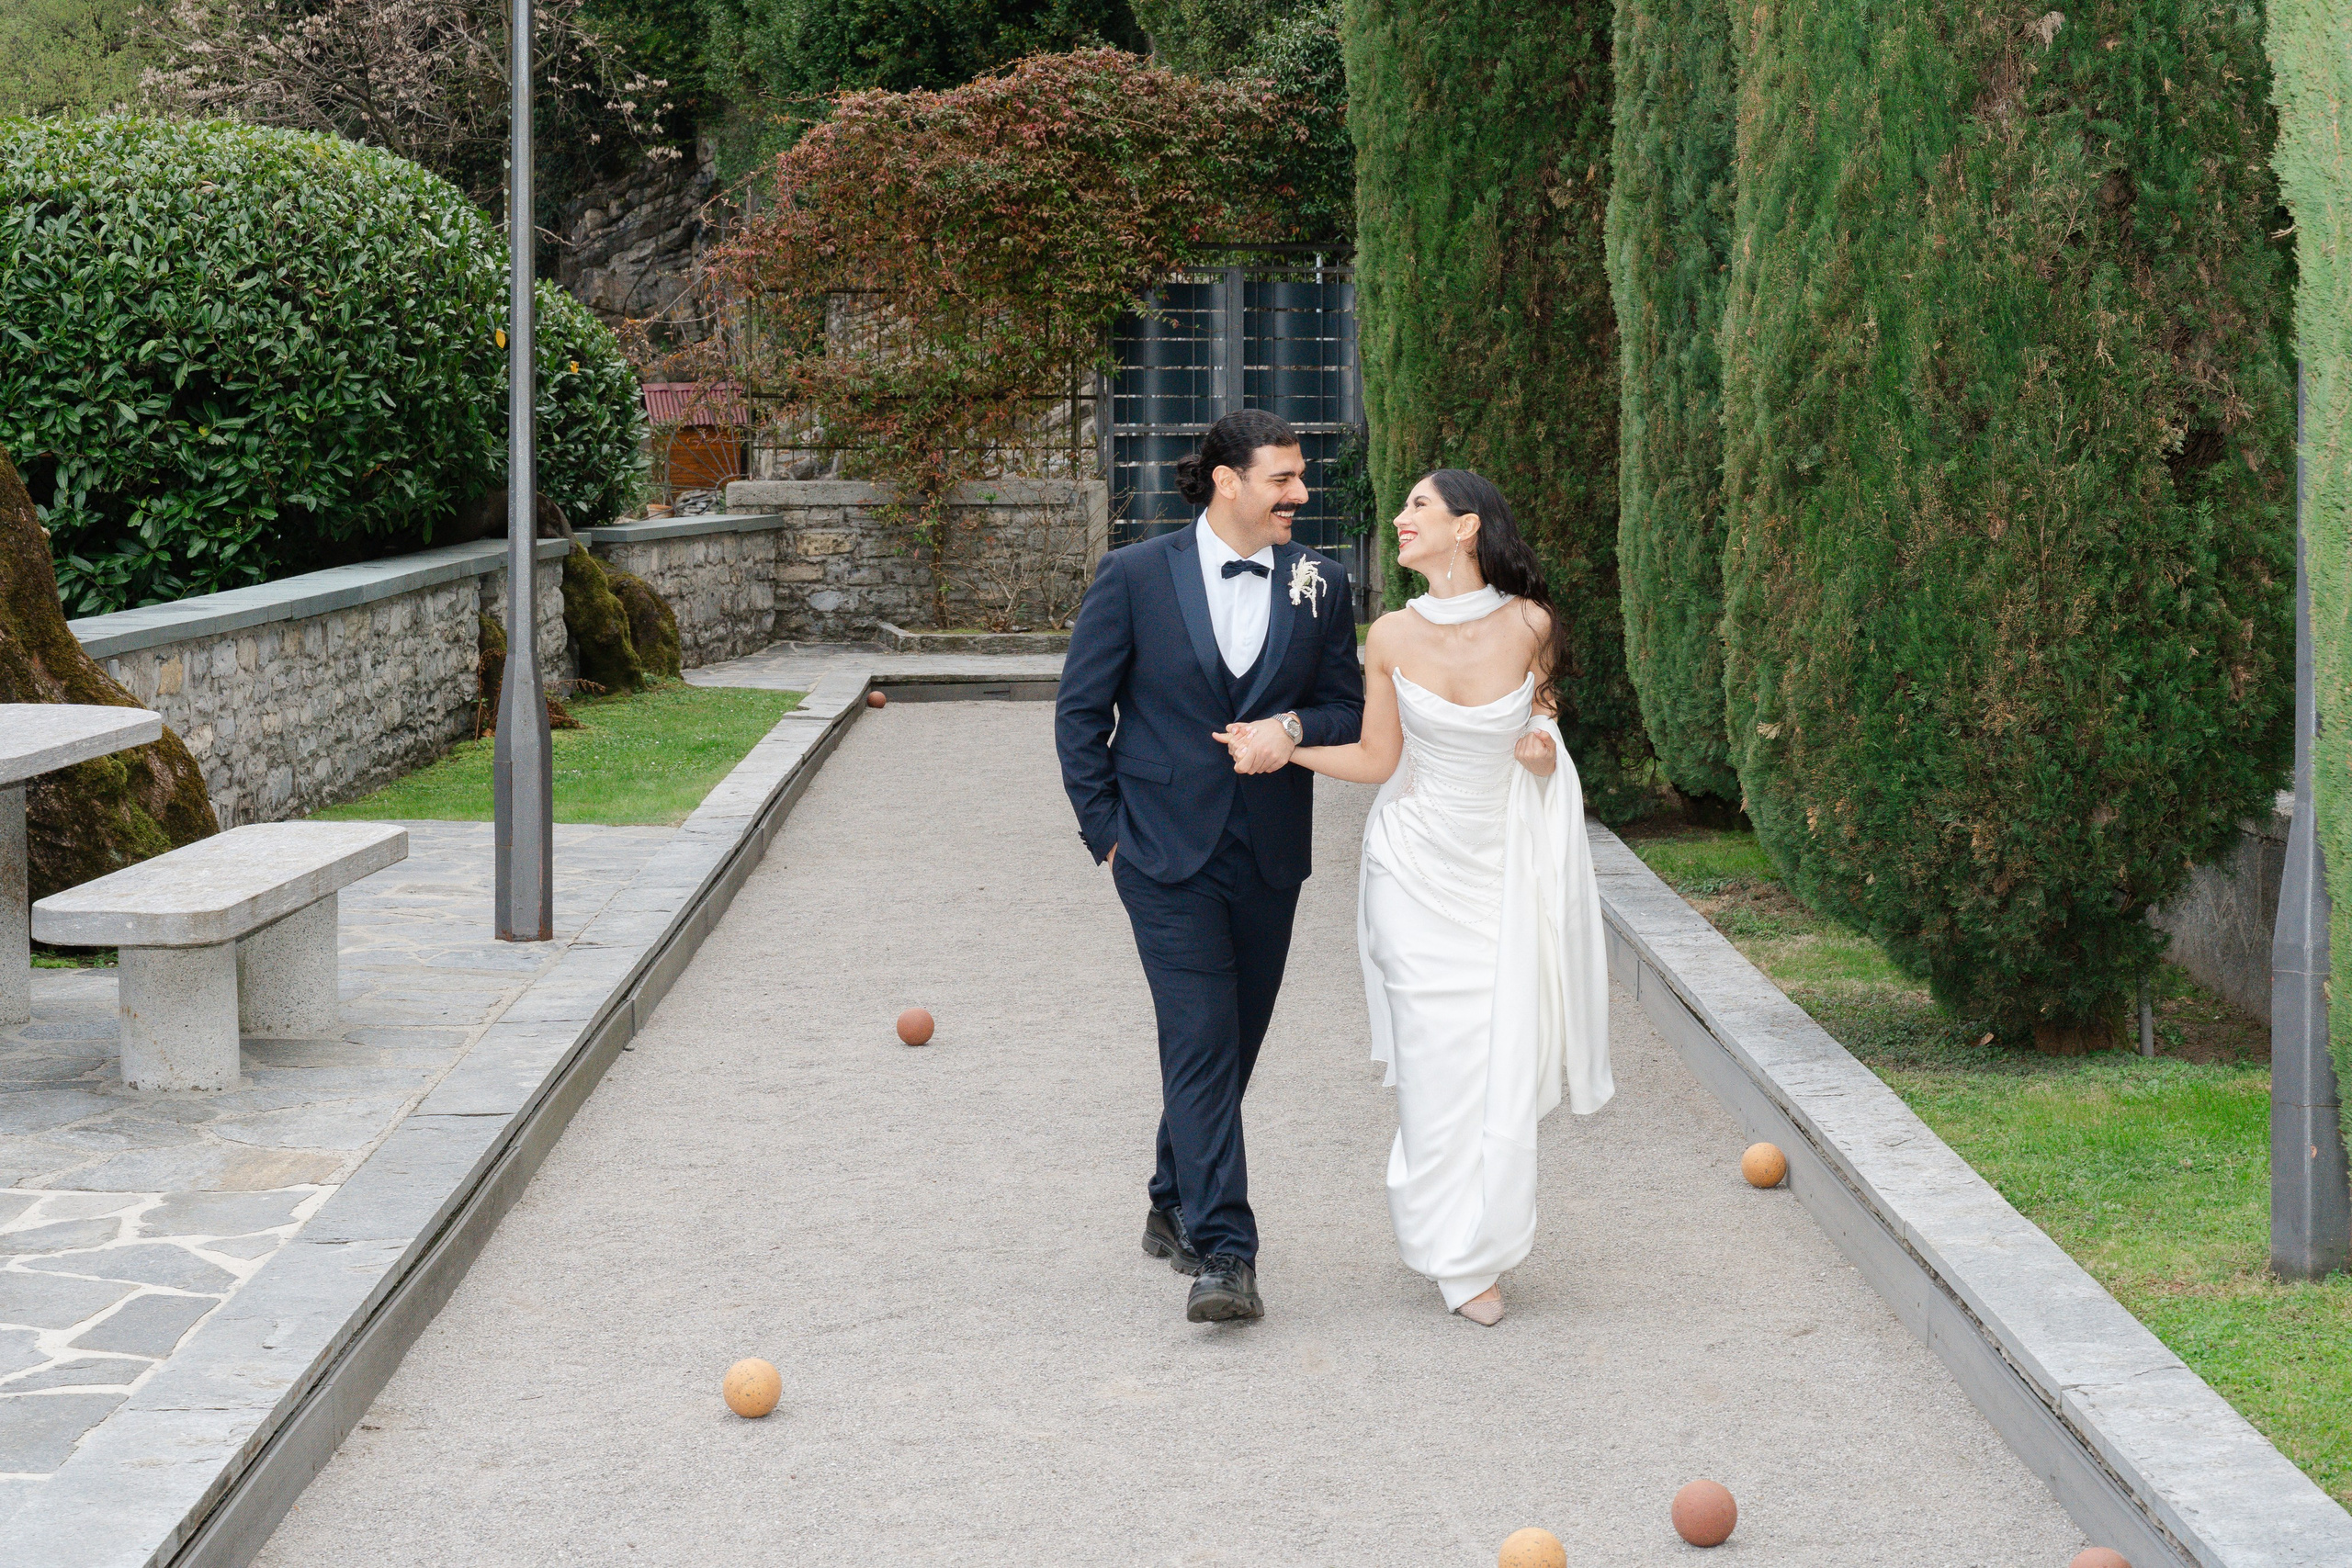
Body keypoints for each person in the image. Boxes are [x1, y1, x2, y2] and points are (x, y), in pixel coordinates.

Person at [1056, 409, 1365, 1323]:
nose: (1299, 495)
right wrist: (1106, 832)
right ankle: (1224, 1252)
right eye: (1282, 479)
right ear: (1227, 480)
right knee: (1199, 1039)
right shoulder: (1133, 575)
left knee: (1231, 1045)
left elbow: (1346, 706)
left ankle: (1168, 1198)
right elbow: (1081, 715)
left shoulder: (1322, 582)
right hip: (1160, 852)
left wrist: (1293, 729)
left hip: (1269, 856)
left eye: (1300, 477)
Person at [1283, 468, 1612, 1325]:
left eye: (1417, 507)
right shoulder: (1389, 634)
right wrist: (1286, 750)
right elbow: (1376, 758)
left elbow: (1543, 718)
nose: (1400, 518)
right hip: (1414, 869)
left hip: (1501, 869)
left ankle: (1485, 1234)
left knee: (1497, 1058)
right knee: (1434, 1065)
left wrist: (1542, 747)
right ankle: (1453, 1257)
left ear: (1468, 527)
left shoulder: (1531, 623)